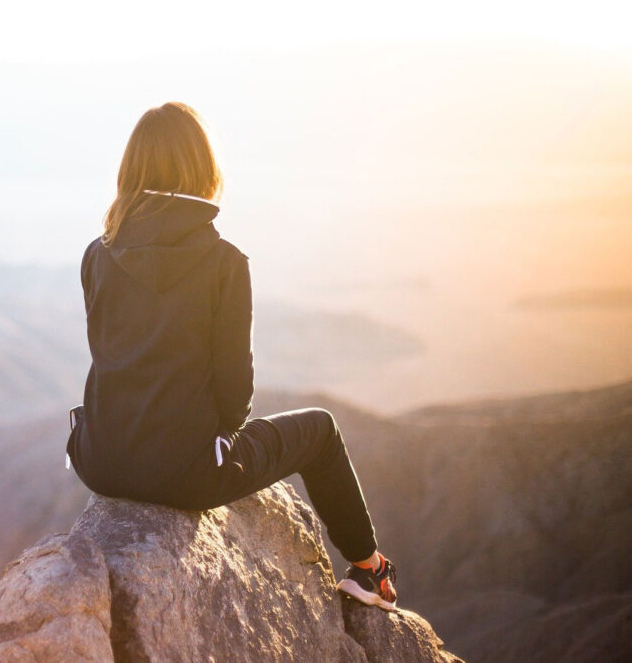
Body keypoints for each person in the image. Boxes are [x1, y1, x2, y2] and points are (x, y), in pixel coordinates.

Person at [64, 101, 397, 611]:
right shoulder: (224, 263)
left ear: (131, 170)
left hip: (98, 459)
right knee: (322, 431)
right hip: (187, 474)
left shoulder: (97, 253)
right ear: (203, 169)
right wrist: (213, 444)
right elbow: (235, 392)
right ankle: (369, 569)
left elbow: (108, 355)